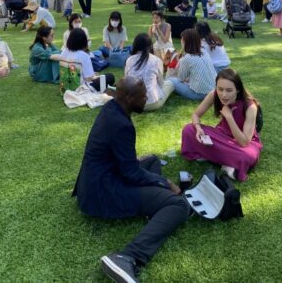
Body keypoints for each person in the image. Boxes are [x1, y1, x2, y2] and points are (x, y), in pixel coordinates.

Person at [72, 76, 189, 282]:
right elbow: (131, 173)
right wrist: (166, 183)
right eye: (142, 96)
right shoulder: (121, 125)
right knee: (179, 205)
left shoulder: (111, 109)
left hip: (98, 180)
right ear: (127, 97)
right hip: (103, 192)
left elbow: (124, 162)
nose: (147, 99)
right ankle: (127, 257)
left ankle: (153, 209)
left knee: (152, 160)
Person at [181, 68, 263, 182]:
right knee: (188, 129)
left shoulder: (250, 106)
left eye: (229, 90)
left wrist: (229, 117)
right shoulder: (214, 95)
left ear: (238, 89)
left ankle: (210, 155)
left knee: (248, 155)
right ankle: (228, 163)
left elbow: (244, 142)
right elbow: (196, 114)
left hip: (241, 142)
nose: (224, 95)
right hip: (221, 136)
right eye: (220, 89)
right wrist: (198, 128)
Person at [125, 34, 174, 111]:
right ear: (150, 46)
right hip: (152, 103)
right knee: (171, 83)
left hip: (132, 103)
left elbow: (127, 81)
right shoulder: (156, 60)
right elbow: (161, 84)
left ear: (135, 45)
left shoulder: (129, 60)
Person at [168, 29, 216, 100]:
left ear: (184, 41)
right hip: (214, 90)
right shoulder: (204, 52)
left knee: (171, 79)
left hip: (200, 94)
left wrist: (179, 63)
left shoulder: (187, 58)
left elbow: (181, 79)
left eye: (181, 39)